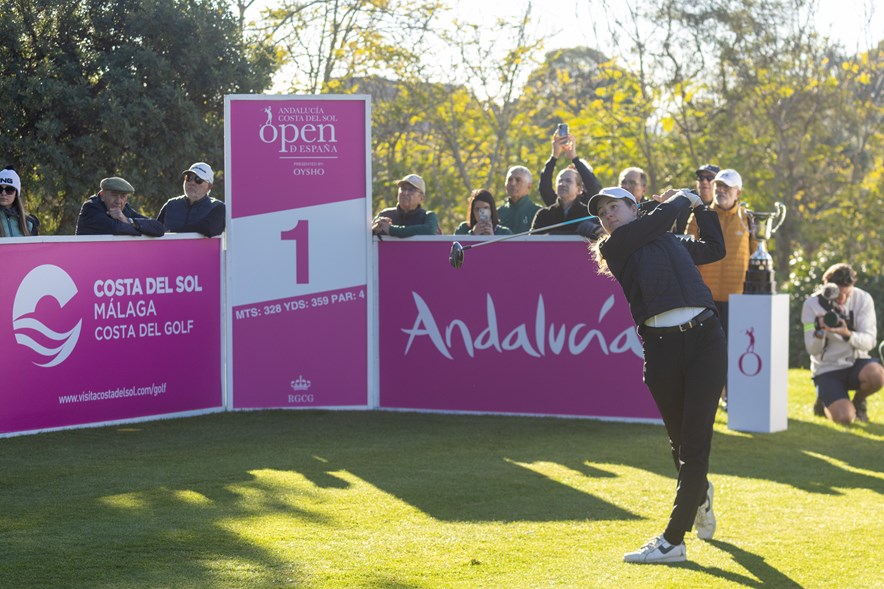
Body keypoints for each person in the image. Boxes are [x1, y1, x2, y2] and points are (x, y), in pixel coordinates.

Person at [588, 185, 726, 564]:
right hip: (662, 350)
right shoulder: (615, 248)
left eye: (615, 207)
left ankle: (672, 541)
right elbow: (658, 220)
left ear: (634, 209)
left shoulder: (671, 239)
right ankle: (698, 492)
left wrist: (703, 207)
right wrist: (683, 198)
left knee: (695, 446)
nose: (609, 216)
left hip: (705, 342)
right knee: (681, 447)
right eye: (603, 214)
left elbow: (716, 248)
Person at [802, 263, 883, 424]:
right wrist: (820, 332)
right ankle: (825, 400)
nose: (842, 299)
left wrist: (848, 335)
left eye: (847, 294)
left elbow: (870, 342)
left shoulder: (863, 299)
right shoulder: (812, 305)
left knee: (878, 375)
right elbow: (812, 349)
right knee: (845, 418)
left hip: (856, 362)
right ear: (827, 287)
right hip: (827, 368)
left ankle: (858, 401)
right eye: (838, 294)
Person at [538, 131, 604, 238]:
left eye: (569, 181)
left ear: (580, 187)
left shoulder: (588, 212)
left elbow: (593, 187)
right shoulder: (546, 213)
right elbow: (544, 187)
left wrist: (574, 157)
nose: (563, 184)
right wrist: (554, 156)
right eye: (560, 180)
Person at [75, 176, 165, 237]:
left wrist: (127, 220)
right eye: (114, 195)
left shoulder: (125, 209)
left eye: (123, 196)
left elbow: (159, 228)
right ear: (102, 195)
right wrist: (142, 229)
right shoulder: (91, 207)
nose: (118, 201)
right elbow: (116, 229)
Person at [158, 162, 225, 237]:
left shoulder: (217, 207)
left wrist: (173, 232)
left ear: (209, 186)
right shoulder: (170, 205)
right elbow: (156, 230)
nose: (192, 183)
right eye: (189, 178)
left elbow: (210, 229)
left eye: (198, 180)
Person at [372, 174, 440, 237]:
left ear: (421, 198)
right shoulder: (385, 214)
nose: (405, 193)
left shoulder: (428, 216)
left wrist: (391, 230)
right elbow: (364, 235)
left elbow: (430, 230)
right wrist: (374, 229)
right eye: (403, 188)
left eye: (411, 190)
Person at [497, 166, 541, 234]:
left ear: (529, 186)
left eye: (518, 180)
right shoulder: (497, 213)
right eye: (510, 180)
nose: (512, 183)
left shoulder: (538, 213)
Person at [0, 167, 39, 237]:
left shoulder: (29, 222)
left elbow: (36, 247)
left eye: (9, 189)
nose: (3, 193)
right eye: (0, 189)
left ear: (16, 194)